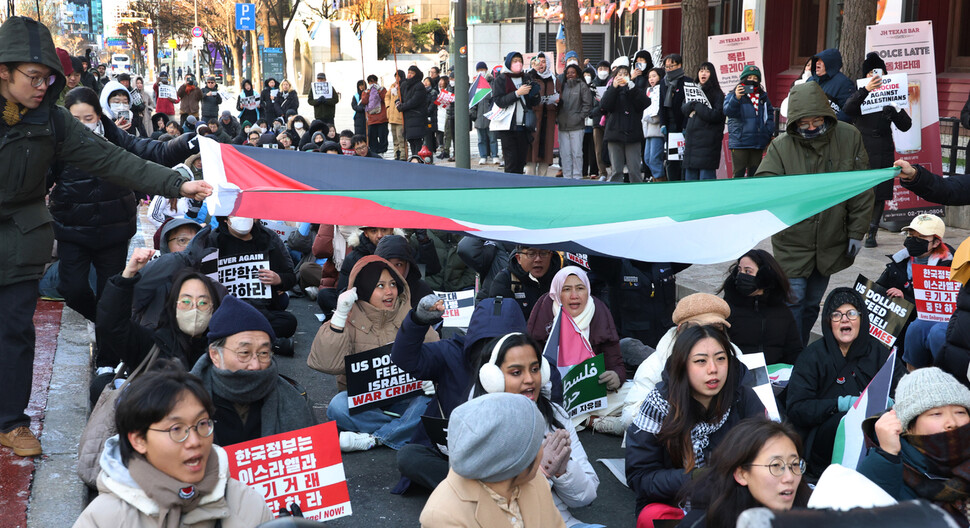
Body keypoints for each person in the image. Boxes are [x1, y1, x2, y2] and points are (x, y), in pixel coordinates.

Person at [0, 16, 210, 458]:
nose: (42, 87)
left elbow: (112, 159)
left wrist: (176, 184)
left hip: (20, 236)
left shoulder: (53, 121)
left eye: (48, 79)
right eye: (33, 77)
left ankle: (12, 421)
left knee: (16, 327)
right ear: (3, 70)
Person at [52, 85, 196, 327]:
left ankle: (107, 357)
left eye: (88, 118)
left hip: (114, 229)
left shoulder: (116, 138)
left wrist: (183, 144)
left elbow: (152, 151)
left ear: (99, 115)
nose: (82, 124)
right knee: (73, 290)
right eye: (75, 119)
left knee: (111, 292)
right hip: (72, 229)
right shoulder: (57, 143)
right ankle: (106, 322)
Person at [72, 363, 274, 527]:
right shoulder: (103, 518)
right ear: (139, 440)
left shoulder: (247, 504)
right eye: (176, 429)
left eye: (202, 424)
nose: (195, 441)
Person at [756, 81, 871, 345]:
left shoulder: (849, 137)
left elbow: (862, 188)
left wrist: (857, 231)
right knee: (793, 300)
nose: (811, 128)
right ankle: (792, 355)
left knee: (811, 303)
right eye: (804, 123)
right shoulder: (781, 146)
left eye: (817, 120)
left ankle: (800, 347)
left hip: (831, 238)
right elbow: (764, 187)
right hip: (793, 240)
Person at [626, 324, 766, 523]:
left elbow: (767, 455)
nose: (713, 369)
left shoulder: (743, 399)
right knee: (652, 517)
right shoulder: (658, 407)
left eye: (721, 359)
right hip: (674, 503)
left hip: (735, 499)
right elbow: (640, 477)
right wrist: (695, 478)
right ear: (682, 365)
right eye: (701, 361)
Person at [392, 297, 527, 492]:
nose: (492, 352)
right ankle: (478, 492)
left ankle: (472, 493)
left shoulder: (534, 367)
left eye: (502, 345)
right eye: (486, 343)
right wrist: (418, 321)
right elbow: (404, 358)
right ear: (473, 339)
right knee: (409, 457)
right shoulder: (452, 352)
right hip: (452, 456)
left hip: (507, 459)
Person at [467, 332, 600, 526]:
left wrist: (563, 471)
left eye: (535, 369)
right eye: (516, 372)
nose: (530, 379)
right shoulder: (475, 427)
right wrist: (541, 471)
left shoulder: (556, 416)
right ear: (492, 379)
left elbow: (587, 495)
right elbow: (492, 509)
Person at [307, 256, 439, 452]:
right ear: (365, 289)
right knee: (337, 406)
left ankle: (374, 439)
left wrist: (431, 379)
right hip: (365, 404)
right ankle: (408, 430)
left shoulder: (410, 317)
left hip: (407, 400)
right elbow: (326, 364)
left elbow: (436, 358)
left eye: (393, 284)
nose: (389, 292)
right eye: (380, 285)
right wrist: (340, 316)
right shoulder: (348, 317)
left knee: (432, 401)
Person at [786, 287, 900, 477]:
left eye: (851, 313)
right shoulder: (812, 356)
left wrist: (891, 404)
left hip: (877, 434)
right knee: (846, 421)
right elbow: (797, 408)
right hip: (824, 442)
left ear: (862, 319)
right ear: (829, 322)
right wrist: (841, 404)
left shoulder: (878, 352)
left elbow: (905, 387)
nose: (845, 319)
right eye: (837, 315)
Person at [419, 392, 568, 528]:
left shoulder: (536, 481)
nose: (542, 451)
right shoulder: (442, 516)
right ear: (514, 460)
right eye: (535, 445)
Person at [189, 295, 314, 447]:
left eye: (263, 353)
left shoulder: (293, 399)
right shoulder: (183, 399)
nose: (255, 365)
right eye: (244, 353)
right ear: (215, 355)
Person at [858, 367, 970, 527]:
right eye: (936, 414)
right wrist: (887, 455)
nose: (952, 422)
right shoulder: (889, 468)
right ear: (908, 427)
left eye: (960, 412)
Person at [621, 293, 744, 432]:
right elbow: (630, 419)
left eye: (716, 328)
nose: (707, 335)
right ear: (680, 330)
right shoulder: (654, 366)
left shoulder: (737, 358)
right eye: (698, 329)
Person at [527, 267, 625, 429]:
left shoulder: (599, 310)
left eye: (580, 288)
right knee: (537, 407)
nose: (574, 296)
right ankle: (593, 422)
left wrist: (615, 376)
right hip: (552, 392)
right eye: (566, 289)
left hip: (592, 395)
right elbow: (530, 362)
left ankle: (578, 420)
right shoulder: (544, 310)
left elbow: (616, 363)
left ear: (588, 290)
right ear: (557, 292)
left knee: (631, 394)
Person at [97, 249, 221, 371]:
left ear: (213, 307)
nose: (194, 309)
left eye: (203, 302)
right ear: (173, 305)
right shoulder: (152, 344)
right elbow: (111, 324)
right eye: (186, 301)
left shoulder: (223, 350)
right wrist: (127, 276)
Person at [678, 418, 811, 528]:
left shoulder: (813, 516)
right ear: (741, 474)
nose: (789, 477)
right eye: (775, 465)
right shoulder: (703, 523)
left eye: (794, 464)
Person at [844, 52, 913, 248]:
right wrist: (865, 90)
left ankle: (872, 232)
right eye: (870, 73)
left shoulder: (892, 94)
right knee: (861, 191)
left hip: (883, 147)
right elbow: (848, 109)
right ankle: (855, 228)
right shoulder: (860, 92)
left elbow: (906, 125)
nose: (874, 76)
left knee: (880, 193)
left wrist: (895, 112)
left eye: (879, 72)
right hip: (862, 147)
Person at [209, 216, 297, 354]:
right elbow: (204, 280)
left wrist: (278, 279)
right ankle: (266, 342)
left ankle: (235, 341)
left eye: (247, 212)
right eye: (236, 213)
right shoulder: (213, 240)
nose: (243, 217)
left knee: (288, 322)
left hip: (262, 310)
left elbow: (290, 276)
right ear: (225, 218)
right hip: (226, 311)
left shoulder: (269, 237)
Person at [875, 214, 953, 370]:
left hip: (929, 325)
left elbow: (944, 309)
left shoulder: (950, 266)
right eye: (911, 235)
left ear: (936, 242)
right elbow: (877, 289)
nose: (913, 240)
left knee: (920, 329)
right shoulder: (900, 261)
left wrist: (905, 299)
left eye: (921, 237)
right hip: (900, 326)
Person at [719, 249, 802, 365]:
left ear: (765, 276)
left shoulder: (783, 312)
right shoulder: (726, 310)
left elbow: (794, 351)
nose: (741, 275)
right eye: (739, 270)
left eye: (748, 272)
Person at [491, 51, 541, 174]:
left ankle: (519, 187)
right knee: (511, 161)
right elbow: (499, 101)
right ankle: (510, 188)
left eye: (520, 61)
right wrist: (517, 93)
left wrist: (534, 94)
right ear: (508, 62)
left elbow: (534, 102)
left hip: (524, 126)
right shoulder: (501, 79)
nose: (518, 63)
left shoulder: (526, 77)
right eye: (514, 61)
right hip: (508, 127)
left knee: (521, 161)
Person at [602, 57, 649, 183]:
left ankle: (637, 193)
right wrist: (614, 88)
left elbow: (645, 103)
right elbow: (605, 105)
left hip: (633, 134)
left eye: (625, 74)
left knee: (634, 169)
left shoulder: (634, 89)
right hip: (614, 133)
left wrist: (632, 88)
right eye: (619, 74)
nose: (622, 77)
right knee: (616, 170)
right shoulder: (611, 90)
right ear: (614, 76)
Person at [723, 65, 773, 179]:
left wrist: (767, 132)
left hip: (758, 142)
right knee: (738, 175)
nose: (752, 81)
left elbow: (769, 114)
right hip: (740, 142)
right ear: (743, 79)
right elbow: (728, 111)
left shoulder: (763, 97)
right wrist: (736, 98)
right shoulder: (733, 94)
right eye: (749, 77)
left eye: (755, 79)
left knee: (755, 175)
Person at [490, 246, 564, 320]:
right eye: (531, 254)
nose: (538, 259)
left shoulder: (562, 278)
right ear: (518, 258)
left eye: (543, 253)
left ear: (550, 255)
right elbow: (498, 320)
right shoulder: (506, 279)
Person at [681, 62, 724, 181]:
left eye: (707, 71)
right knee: (690, 181)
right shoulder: (693, 89)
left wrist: (697, 106)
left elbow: (717, 115)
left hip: (708, 142)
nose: (703, 73)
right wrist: (692, 105)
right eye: (701, 71)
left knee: (706, 180)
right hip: (692, 141)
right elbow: (684, 108)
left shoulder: (717, 94)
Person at [555, 63, 592, 180]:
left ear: (577, 74)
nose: (570, 75)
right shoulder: (562, 86)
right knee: (565, 154)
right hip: (563, 125)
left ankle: (577, 177)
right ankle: (567, 177)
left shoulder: (582, 86)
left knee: (577, 153)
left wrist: (579, 117)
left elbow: (587, 105)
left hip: (577, 126)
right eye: (568, 73)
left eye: (573, 72)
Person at [659, 54, 692, 181]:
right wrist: (662, 124)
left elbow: (689, 106)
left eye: (671, 66)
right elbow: (661, 104)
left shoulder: (687, 82)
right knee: (671, 158)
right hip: (669, 125)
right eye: (666, 66)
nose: (668, 69)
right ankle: (672, 181)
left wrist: (685, 126)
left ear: (679, 65)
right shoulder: (663, 82)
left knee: (683, 157)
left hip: (683, 124)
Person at [526, 52, 558, 176]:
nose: (541, 65)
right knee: (531, 150)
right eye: (537, 62)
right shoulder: (530, 77)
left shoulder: (553, 79)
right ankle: (529, 179)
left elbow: (559, 94)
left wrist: (558, 101)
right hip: (534, 119)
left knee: (545, 150)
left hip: (548, 118)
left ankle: (543, 180)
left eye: (543, 62)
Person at [809, 48, 855, 122]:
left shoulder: (844, 83)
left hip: (832, 129)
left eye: (821, 60)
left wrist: (829, 123)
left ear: (830, 63)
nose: (817, 63)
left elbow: (848, 112)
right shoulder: (810, 80)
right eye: (817, 60)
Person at [397, 66, 430, 159]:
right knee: (411, 140)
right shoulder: (404, 85)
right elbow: (401, 98)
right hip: (408, 118)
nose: (409, 74)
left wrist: (402, 107)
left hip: (417, 117)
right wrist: (398, 103)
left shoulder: (419, 86)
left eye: (412, 73)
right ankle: (414, 158)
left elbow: (414, 101)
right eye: (408, 72)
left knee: (417, 140)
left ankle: (417, 159)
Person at [470, 62, 499, 165]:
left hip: (491, 115)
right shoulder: (475, 84)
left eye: (482, 69)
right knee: (481, 138)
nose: (480, 72)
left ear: (486, 69)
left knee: (492, 137)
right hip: (479, 116)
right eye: (478, 70)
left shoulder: (493, 82)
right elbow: (472, 101)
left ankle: (495, 155)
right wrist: (472, 114)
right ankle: (483, 156)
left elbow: (495, 98)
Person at [642, 67, 665, 181]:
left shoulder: (661, 89)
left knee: (654, 158)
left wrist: (649, 118)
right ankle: (656, 178)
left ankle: (660, 180)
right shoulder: (648, 90)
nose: (651, 79)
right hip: (648, 130)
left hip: (657, 129)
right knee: (647, 159)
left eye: (654, 76)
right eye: (649, 77)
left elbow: (658, 111)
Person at [360, 74, 389, 156]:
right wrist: (368, 92)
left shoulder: (382, 90)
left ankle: (383, 151)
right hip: (372, 119)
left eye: (374, 82)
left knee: (383, 136)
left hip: (382, 118)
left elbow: (385, 98)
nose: (372, 84)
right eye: (370, 82)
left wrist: (379, 90)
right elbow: (364, 101)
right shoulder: (365, 92)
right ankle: (374, 152)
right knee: (372, 137)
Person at [385, 70, 407, 160]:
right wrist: (388, 107)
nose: (397, 78)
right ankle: (396, 155)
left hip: (400, 117)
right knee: (395, 139)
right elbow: (387, 96)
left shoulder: (404, 85)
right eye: (395, 77)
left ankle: (403, 156)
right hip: (392, 116)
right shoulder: (393, 85)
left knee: (401, 138)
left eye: (398, 77)